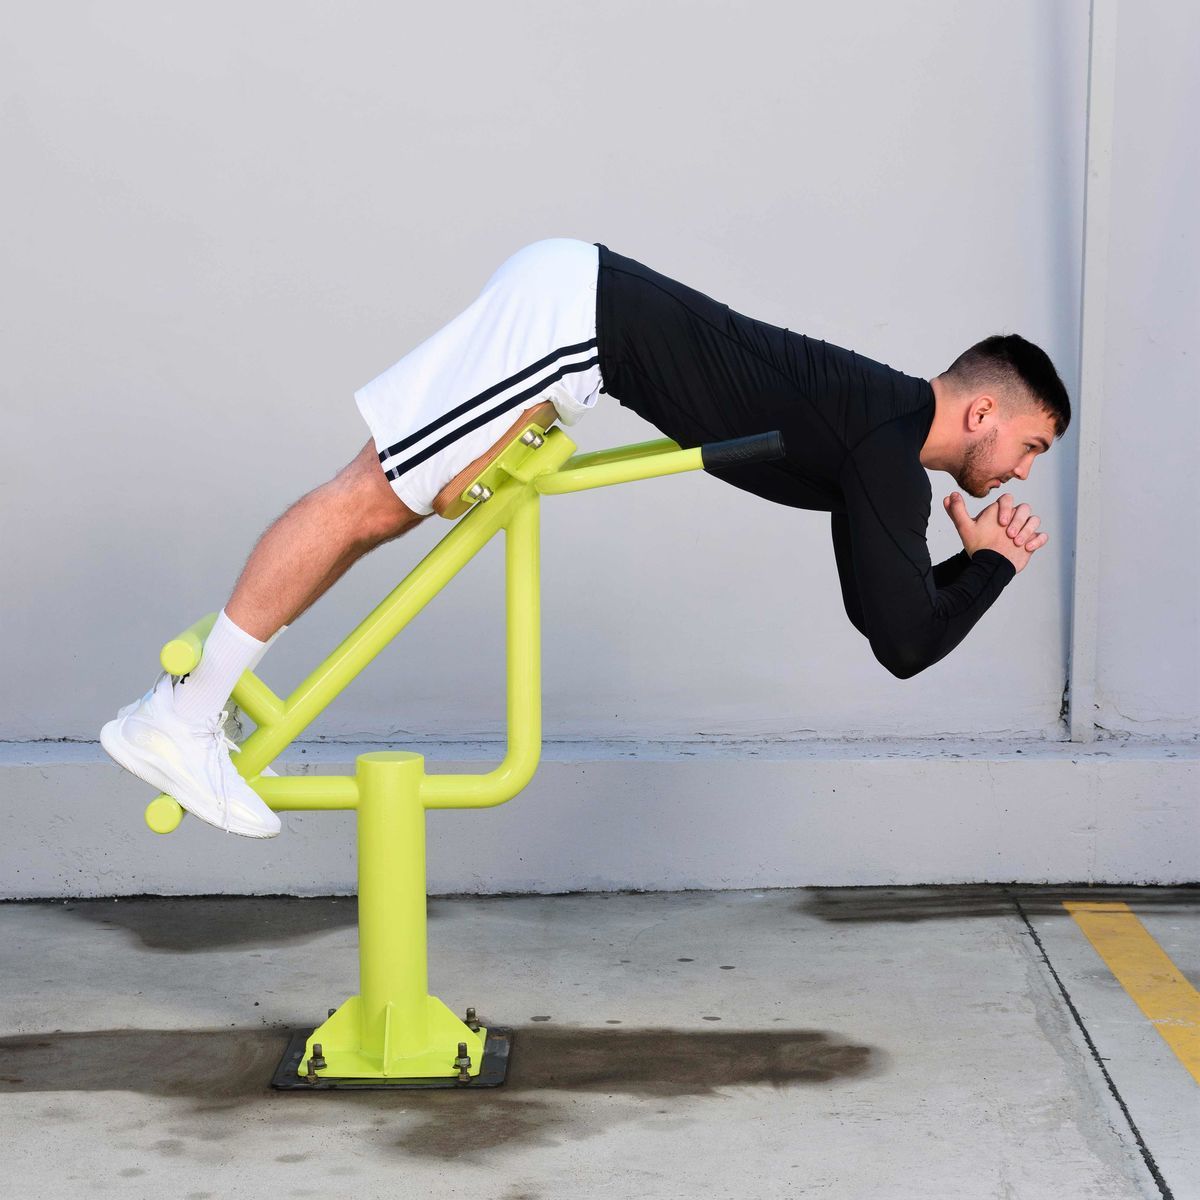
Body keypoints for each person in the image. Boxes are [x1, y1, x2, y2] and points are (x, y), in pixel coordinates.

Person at [101, 238, 1069, 838]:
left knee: (383, 509)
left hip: (574, 315)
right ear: (983, 413)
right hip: (569, 324)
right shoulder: (885, 450)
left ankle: (198, 708)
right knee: (367, 498)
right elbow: (905, 641)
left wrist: (969, 561)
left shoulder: (882, 439)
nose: (1024, 471)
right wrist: (991, 564)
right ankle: (178, 717)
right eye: (1029, 446)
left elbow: (887, 610)